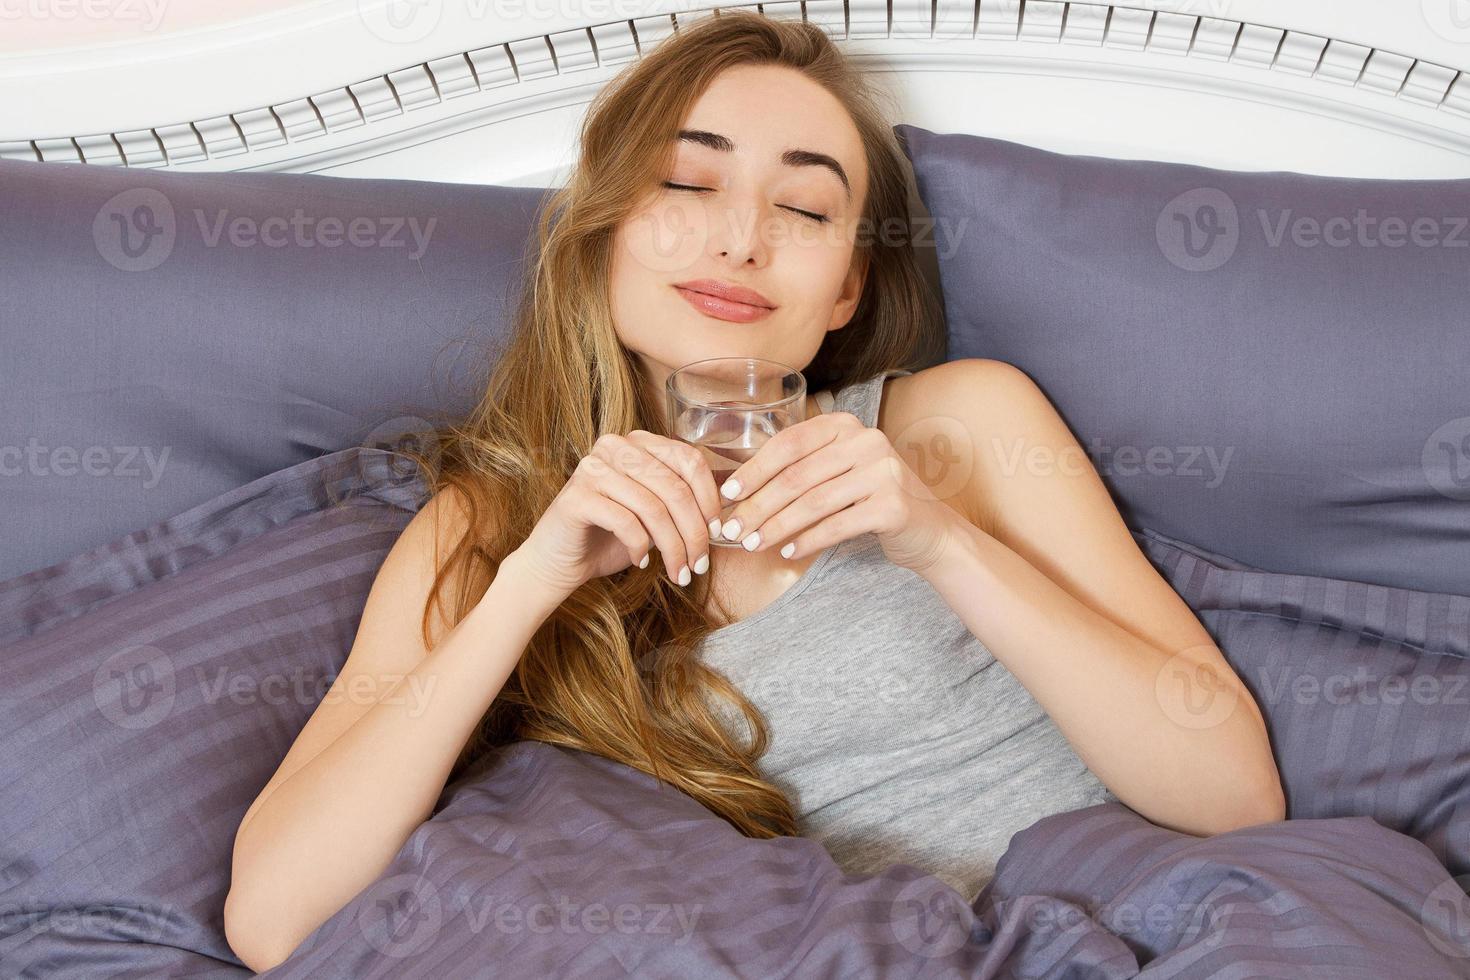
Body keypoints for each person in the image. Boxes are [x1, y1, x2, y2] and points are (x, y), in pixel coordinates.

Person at [224, 12, 1284, 972]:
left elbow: (1235, 792)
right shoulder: (492, 523)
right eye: (688, 184)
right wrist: (530, 583)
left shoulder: (958, 424)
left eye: (807, 206)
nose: (742, 238)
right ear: (602, 232)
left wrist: (941, 540)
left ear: (847, 289)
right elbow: (275, 915)